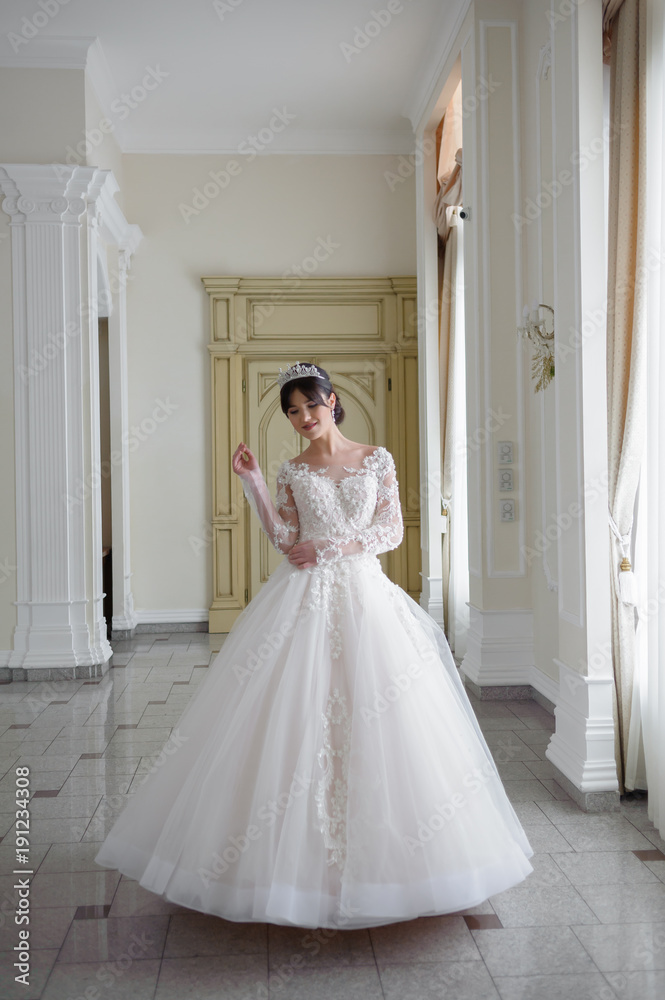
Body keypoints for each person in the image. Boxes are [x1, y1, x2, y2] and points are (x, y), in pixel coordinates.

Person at [95, 361, 533, 929]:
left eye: (311, 405)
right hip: (301, 601)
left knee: (386, 718)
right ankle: (276, 866)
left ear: (333, 400)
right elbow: (286, 538)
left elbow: (392, 530)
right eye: (293, 411)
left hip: (365, 598)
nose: (303, 418)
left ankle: (401, 866)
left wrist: (333, 549)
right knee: (287, 717)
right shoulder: (292, 470)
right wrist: (253, 484)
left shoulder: (376, 458)